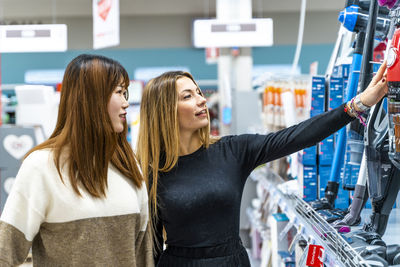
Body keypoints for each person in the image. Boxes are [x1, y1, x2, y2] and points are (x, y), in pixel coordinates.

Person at [136, 61, 388, 267]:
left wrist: (357, 105)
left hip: (231, 262)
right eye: (187, 96)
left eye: (199, 92)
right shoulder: (152, 170)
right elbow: (153, 244)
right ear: (164, 110)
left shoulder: (232, 150)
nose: (201, 100)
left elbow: (296, 136)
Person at [0, 54, 154, 266]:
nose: (126, 103)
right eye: (119, 92)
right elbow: (5, 252)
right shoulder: (41, 166)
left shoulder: (128, 165)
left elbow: (142, 254)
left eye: (125, 93)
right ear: (91, 98)